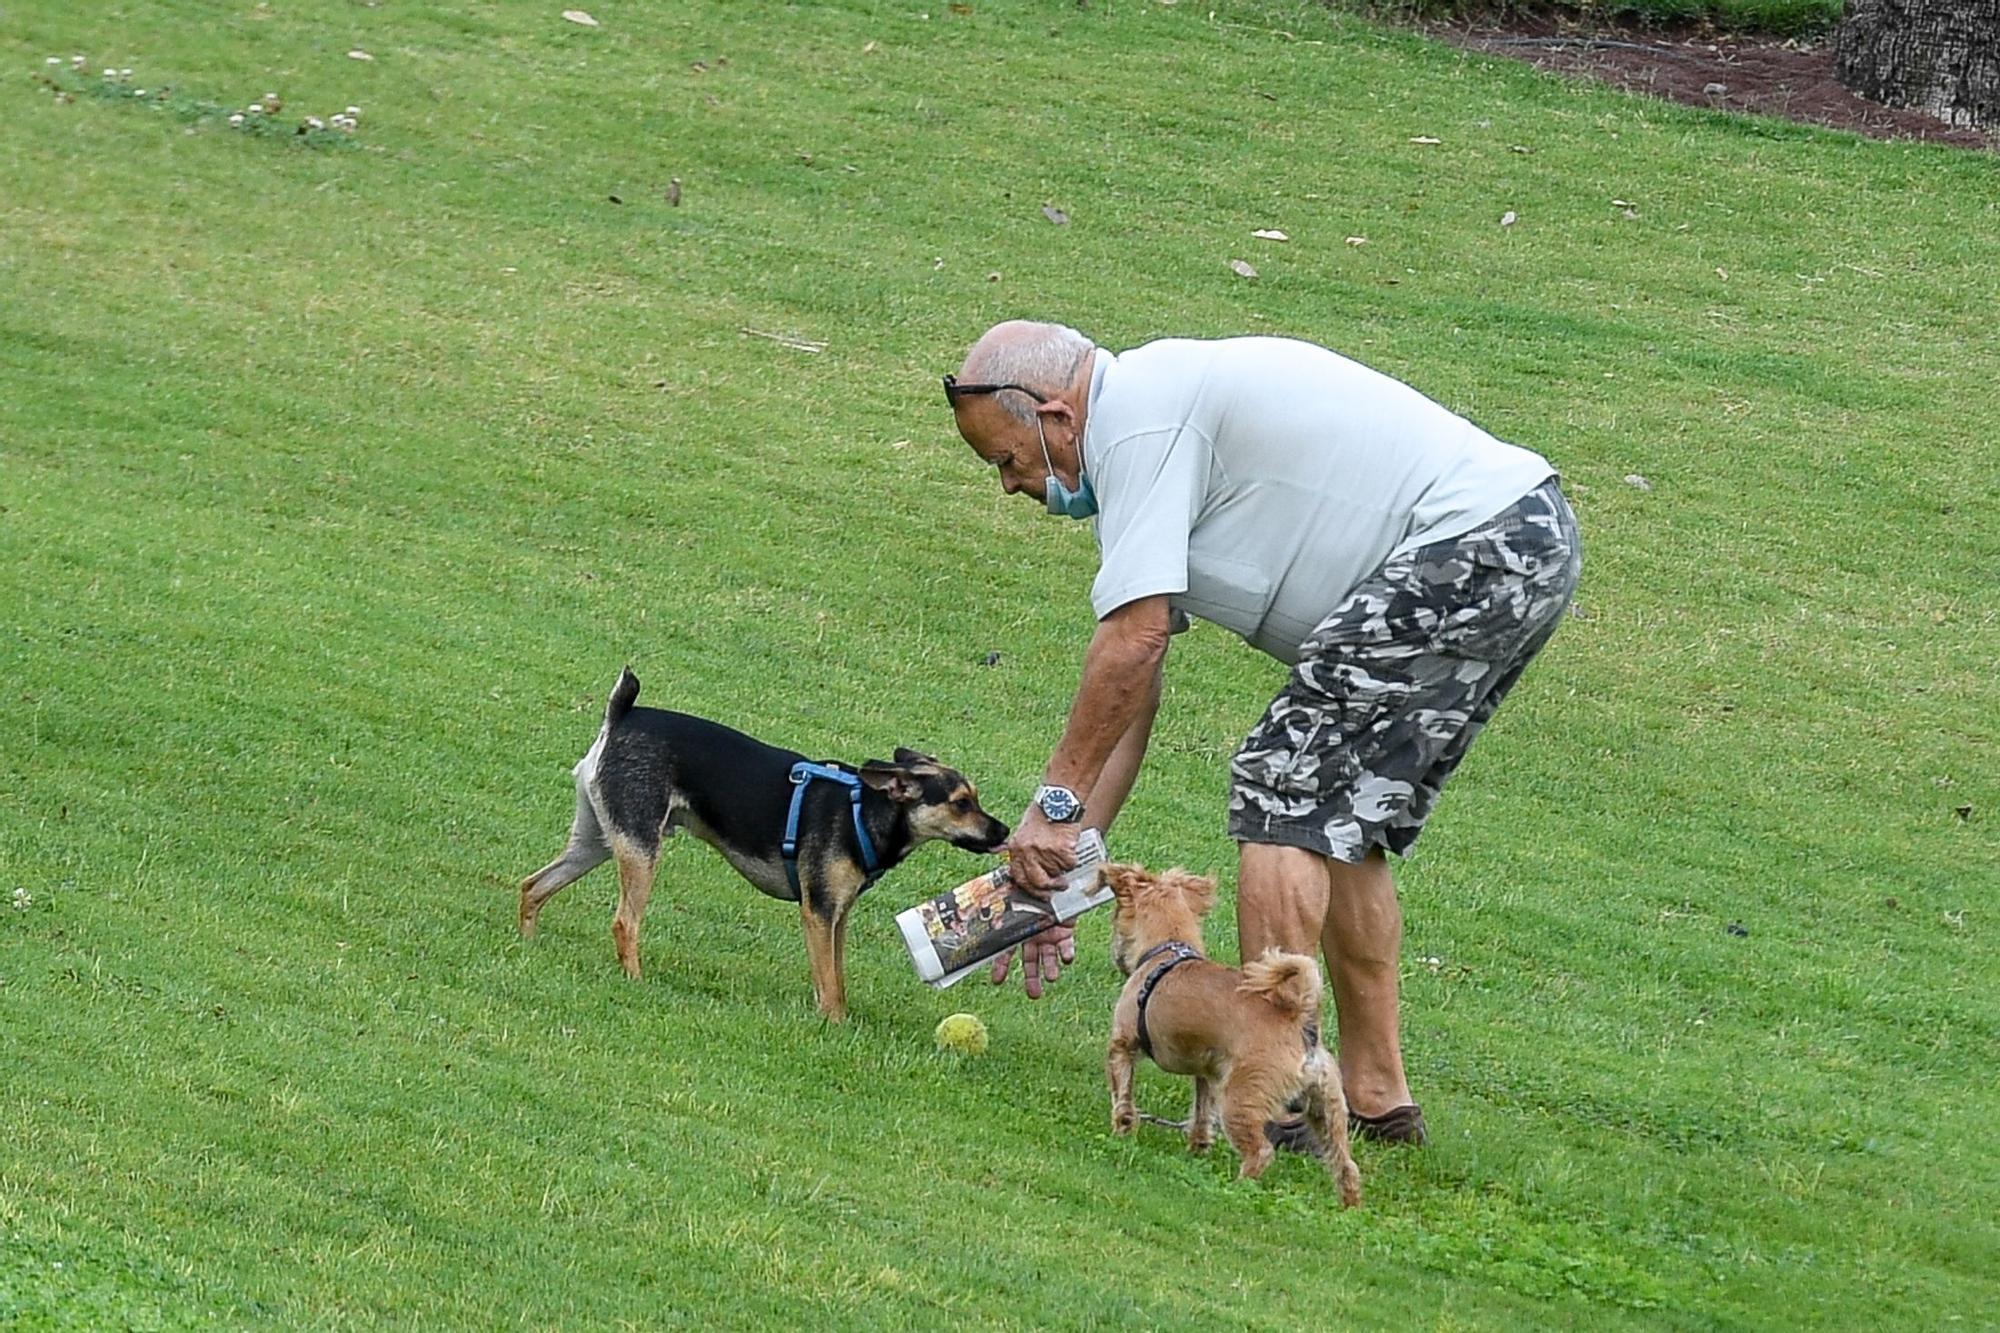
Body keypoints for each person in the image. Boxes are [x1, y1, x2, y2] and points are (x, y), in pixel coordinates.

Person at [944, 321, 1581, 1145]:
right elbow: (1136, 694)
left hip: (1473, 544)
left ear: (1057, 418)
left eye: (1006, 460)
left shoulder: (1140, 418)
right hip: (1523, 538)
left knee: (1279, 787)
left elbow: (1130, 643)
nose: (1009, 486)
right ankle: (1379, 1102)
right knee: (1339, 822)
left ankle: (1277, 1094)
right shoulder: (1139, 453)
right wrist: (1064, 864)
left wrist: (1054, 804)